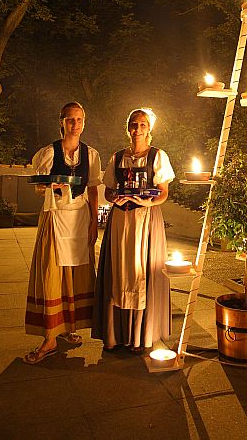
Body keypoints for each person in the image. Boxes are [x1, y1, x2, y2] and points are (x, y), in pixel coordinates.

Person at [24, 102, 101, 364]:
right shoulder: (48, 152)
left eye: (79, 119)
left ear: (84, 122)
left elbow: (92, 189)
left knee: (76, 273)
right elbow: (38, 187)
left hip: (80, 217)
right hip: (55, 215)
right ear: (62, 122)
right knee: (52, 271)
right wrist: (50, 186)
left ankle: (70, 327)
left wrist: (93, 222)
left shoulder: (91, 155)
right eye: (70, 119)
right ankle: (49, 336)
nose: (75, 124)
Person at [92, 108, 174, 352]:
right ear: (128, 128)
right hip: (121, 220)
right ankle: (115, 335)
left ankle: (139, 336)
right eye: (134, 124)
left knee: (141, 270)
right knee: (118, 270)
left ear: (150, 129)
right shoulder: (117, 157)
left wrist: (148, 201)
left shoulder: (157, 156)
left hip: (146, 219)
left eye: (142, 124)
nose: (137, 129)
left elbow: (163, 193)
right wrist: (114, 197)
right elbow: (108, 190)